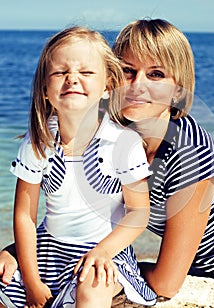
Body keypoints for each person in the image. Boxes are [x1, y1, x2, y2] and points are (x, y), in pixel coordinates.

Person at [1, 18, 214, 308]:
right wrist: (19, 254)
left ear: (178, 87)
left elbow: (166, 284)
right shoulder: (115, 132)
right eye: (128, 71)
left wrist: (102, 262)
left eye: (156, 75)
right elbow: (73, 212)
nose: (137, 86)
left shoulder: (189, 156)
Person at [0, 26, 157, 308]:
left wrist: (103, 251)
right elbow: (25, 216)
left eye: (86, 73)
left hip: (105, 250)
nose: (72, 79)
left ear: (108, 87)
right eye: (60, 73)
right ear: (45, 90)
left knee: (92, 289)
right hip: (49, 251)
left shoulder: (123, 143)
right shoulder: (38, 142)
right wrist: (33, 282)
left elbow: (138, 212)